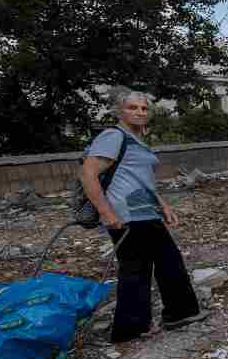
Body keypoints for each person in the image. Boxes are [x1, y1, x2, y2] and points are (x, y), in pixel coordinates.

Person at [80, 86, 207, 343]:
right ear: (119, 111)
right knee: (139, 268)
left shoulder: (136, 139)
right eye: (132, 107)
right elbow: (88, 174)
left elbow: (142, 179)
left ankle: (171, 316)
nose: (140, 112)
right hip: (126, 214)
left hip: (144, 211)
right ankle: (135, 327)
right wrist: (106, 212)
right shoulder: (113, 136)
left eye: (144, 108)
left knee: (163, 262)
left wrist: (163, 205)